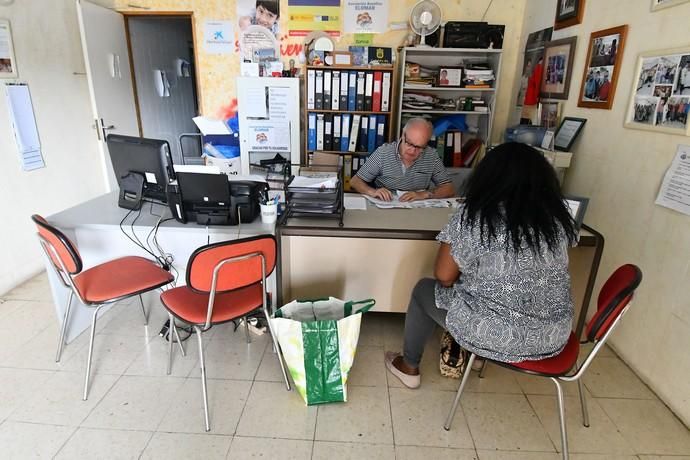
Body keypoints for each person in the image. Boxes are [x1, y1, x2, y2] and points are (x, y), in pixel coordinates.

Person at [384, 142, 578, 389]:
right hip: (554, 336)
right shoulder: (557, 220)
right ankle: (476, 357)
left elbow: (444, 276)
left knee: (425, 290)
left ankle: (409, 366)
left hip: (496, 335)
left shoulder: (476, 217)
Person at [350, 118, 455, 202]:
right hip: (387, 206)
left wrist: (423, 194)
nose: (412, 151)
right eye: (409, 143)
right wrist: (373, 192)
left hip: (418, 210)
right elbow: (355, 181)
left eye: (419, 147)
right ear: (402, 136)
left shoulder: (431, 155)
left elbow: (449, 188)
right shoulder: (383, 153)